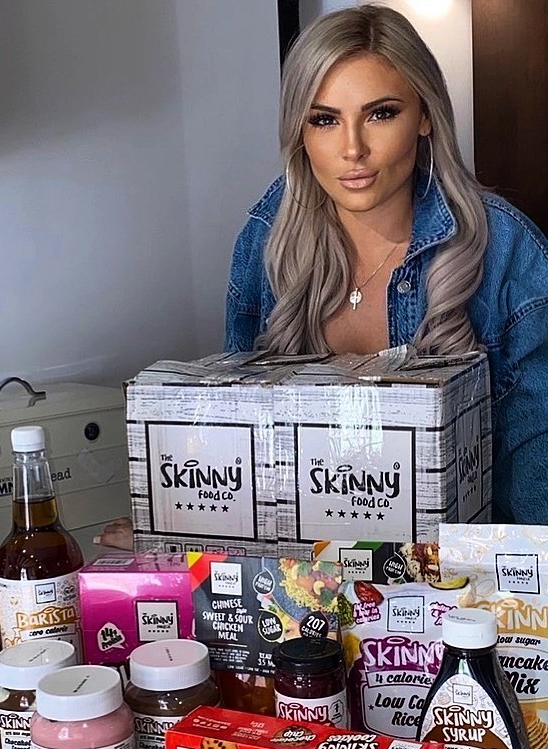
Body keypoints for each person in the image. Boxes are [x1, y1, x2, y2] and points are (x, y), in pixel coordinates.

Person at [98, 3, 548, 551]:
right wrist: (173, 535)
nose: (352, 148)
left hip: (462, 595)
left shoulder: (507, 251)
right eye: (324, 119)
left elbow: (536, 484)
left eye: (381, 113)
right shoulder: (266, 241)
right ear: (300, 131)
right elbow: (238, 449)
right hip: (303, 595)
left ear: (425, 116)